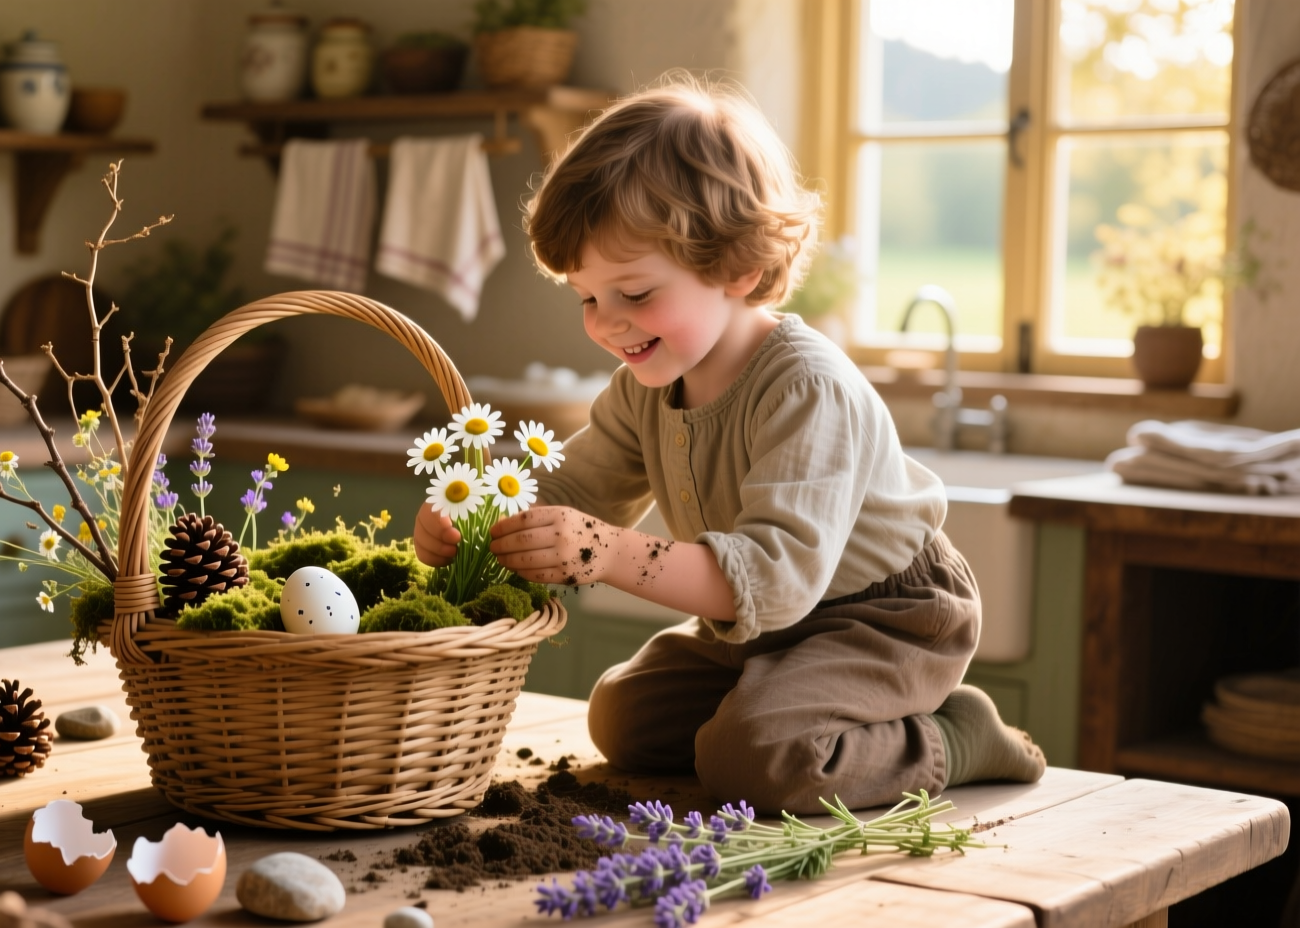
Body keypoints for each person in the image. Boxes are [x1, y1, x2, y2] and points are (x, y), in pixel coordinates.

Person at [413, 75, 1045, 814]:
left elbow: (773, 578)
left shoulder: (806, 387)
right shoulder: (646, 386)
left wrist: (607, 552)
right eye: (588, 297)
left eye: (635, 294)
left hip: (885, 619)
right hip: (764, 628)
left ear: (739, 268)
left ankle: (952, 736)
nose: (606, 322)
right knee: (623, 717)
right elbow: (576, 491)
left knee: (755, 761)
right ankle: (780, 705)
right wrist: (479, 521)